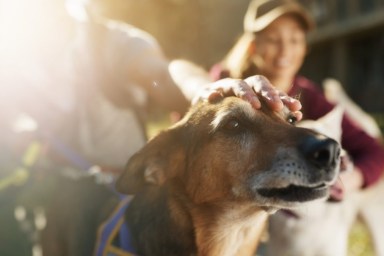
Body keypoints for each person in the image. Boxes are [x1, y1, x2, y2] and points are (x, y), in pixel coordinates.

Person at [0, 0, 303, 255]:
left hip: (130, 191)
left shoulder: (112, 42)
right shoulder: (12, 60)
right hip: (56, 197)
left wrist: (207, 90)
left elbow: (164, 74)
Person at [210, 0, 384, 196]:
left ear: (304, 48)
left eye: (294, 40)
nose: (285, 50)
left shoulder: (308, 95)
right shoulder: (224, 83)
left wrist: (349, 181)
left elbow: (373, 150)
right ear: (253, 46)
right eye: (273, 40)